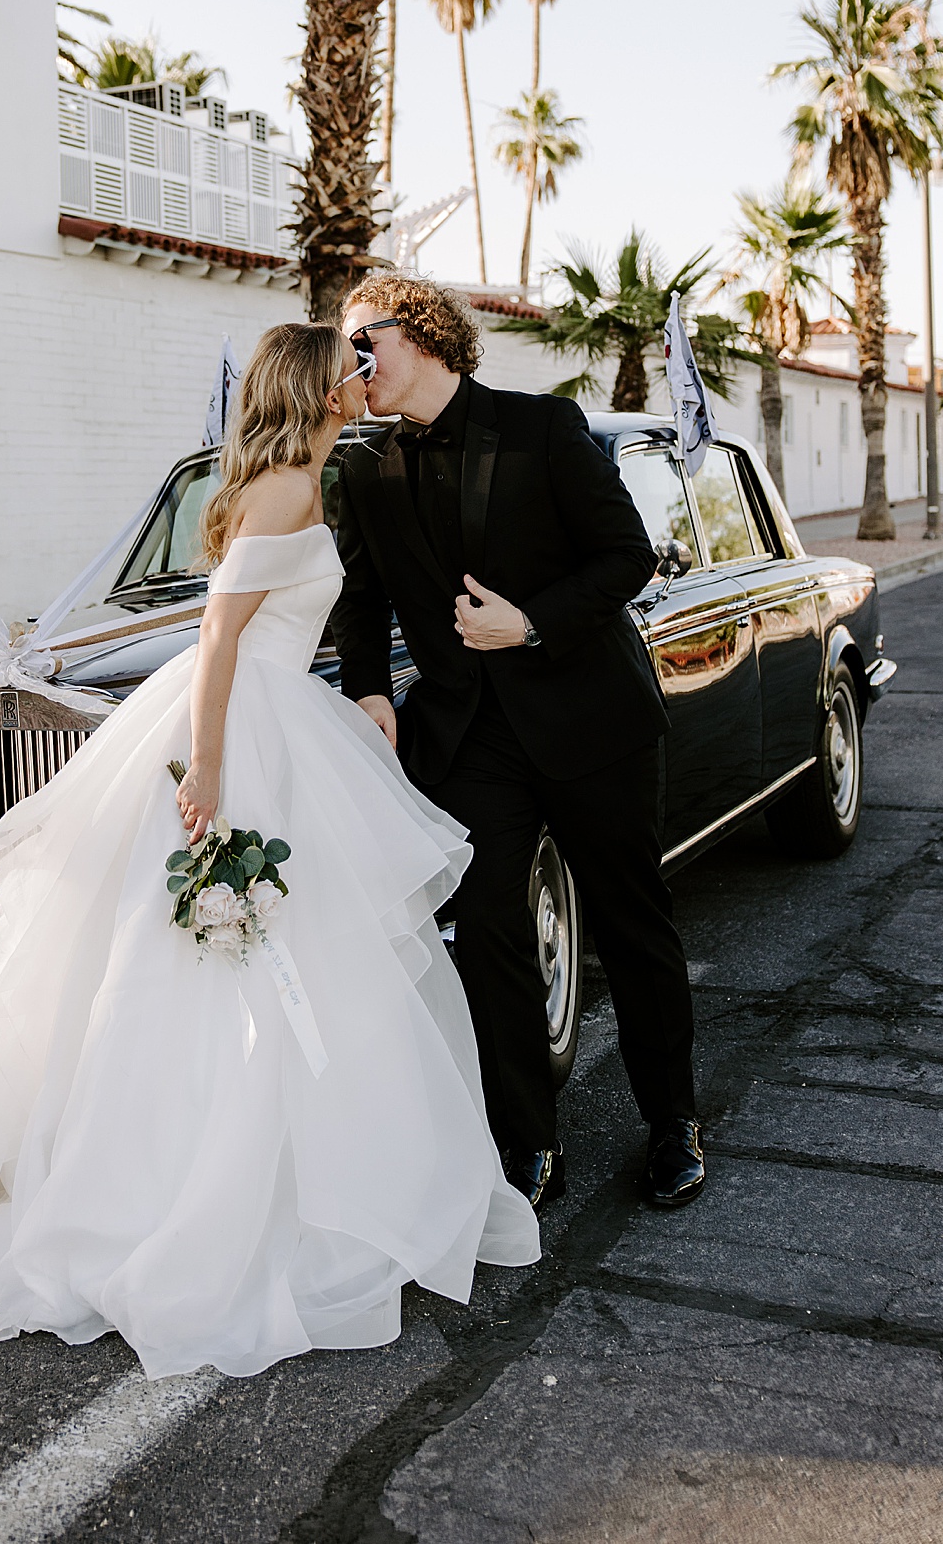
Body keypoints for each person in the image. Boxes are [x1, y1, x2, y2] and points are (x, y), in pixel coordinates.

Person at [0, 323, 540, 1379]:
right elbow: (219, 639)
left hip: (284, 727)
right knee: (229, 956)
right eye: (348, 370)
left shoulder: (306, 478)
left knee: (283, 955)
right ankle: (207, 1194)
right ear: (316, 392)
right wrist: (211, 773)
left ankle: (308, 1170)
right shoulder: (280, 490)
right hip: (242, 729)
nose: (364, 379)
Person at [332, 271, 704, 1214]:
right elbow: (362, 599)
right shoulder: (366, 468)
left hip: (591, 717)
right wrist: (373, 691)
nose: (352, 360)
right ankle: (527, 1146)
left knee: (631, 922)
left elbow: (627, 555)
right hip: (466, 738)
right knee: (491, 930)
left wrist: (530, 624)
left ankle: (674, 1127)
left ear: (418, 334)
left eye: (361, 339)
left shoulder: (544, 427)